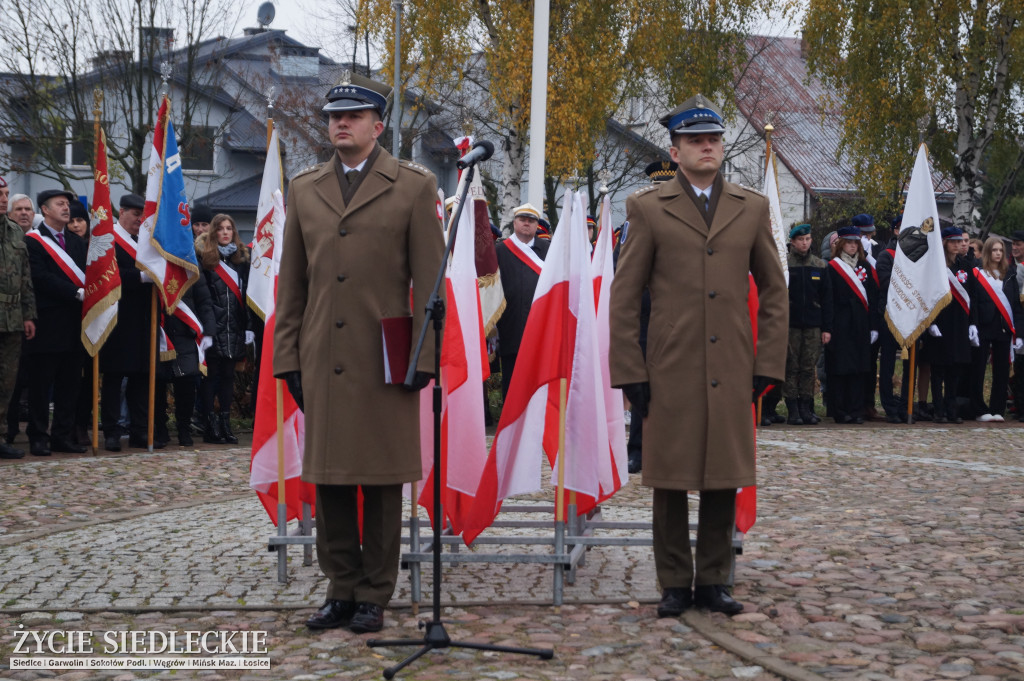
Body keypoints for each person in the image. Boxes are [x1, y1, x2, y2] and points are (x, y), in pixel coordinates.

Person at [274, 73, 444, 634]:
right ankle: (340, 587)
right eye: (332, 116)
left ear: (378, 125)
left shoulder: (414, 187)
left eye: (352, 116)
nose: (339, 124)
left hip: (385, 354)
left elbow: (431, 283)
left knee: (381, 479)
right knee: (330, 477)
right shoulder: (304, 189)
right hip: (322, 352)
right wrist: (287, 356)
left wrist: (425, 357)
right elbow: (291, 283)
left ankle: (375, 591)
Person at [609, 94, 788, 618]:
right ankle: (672, 582)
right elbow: (625, 296)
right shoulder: (647, 207)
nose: (705, 146)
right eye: (694, 141)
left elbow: (775, 291)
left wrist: (767, 362)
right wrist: (629, 369)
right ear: (676, 149)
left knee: (722, 474)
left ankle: (713, 579)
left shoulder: (750, 207)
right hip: (671, 364)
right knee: (668, 477)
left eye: (712, 139)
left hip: (731, 362)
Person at [23, 189, 88, 455]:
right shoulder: (33, 242)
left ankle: (62, 435)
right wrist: (74, 292)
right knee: (41, 384)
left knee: (69, 383)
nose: (66, 209)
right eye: (59, 204)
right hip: (48, 321)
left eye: (67, 204)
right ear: (45, 210)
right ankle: (38, 436)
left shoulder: (75, 241)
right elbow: (40, 277)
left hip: (75, 323)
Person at [101, 193, 166, 451]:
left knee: (142, 377)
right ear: (122, 212)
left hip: (143, 318)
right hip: (116, 317)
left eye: (143, 215)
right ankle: (112, 431)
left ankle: (140, 430)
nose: (140, 219)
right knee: (115, 378)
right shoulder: (108, 241)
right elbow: (107, 275)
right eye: (136, 214)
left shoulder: (145, 243)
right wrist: (140, 278)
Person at [195, 213, 250, 445]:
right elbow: (203, 299)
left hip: (234, 328)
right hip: (213, 329)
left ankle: (225, 424)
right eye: (221, 228)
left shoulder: (241, 261)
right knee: (211, 378)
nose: (226, 232)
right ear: (213, 232)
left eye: (229, 228)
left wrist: (248, 326)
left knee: (228, 377)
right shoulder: (205, 261)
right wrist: (207, 330)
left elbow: (246, 296)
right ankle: (210, 425)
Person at [824, 226, 879, 424]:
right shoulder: (832, 267)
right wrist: (828, 327)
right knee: (841, 368)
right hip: (841, 324)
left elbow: (873, 297)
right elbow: (828, 300)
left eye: (855, 243)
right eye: (849, 242)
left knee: (859, 368)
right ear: (841, 245)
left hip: (861, 324)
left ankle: (857, 409)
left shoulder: (866, 266)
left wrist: (874, 326)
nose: (852, 246)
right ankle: (840, 410)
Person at [495, 203, 549, 398]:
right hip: (510, 325)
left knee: (538, 380)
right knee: (511, 380)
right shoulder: (500, 251)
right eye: (522, 220)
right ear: (515, 223)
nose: (527, 224)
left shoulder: (548, 250)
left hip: (540, 325)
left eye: (531, 220)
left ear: (537, 225)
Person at [0, 177, 36, 459]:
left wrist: (28, 315)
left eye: (6, 194)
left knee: (7, 382)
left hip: (12, 318)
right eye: (0, 194)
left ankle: (1, 436)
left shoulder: (15, 233)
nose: (3, 198)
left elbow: (26, 279)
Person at [920, 228, 972, 423]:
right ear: (945, 243)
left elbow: (971, 296)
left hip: (959, 323)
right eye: (953, 242)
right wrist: (930, 322)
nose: (958, 245)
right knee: (939, 370)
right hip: (940, 322)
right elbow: (927, 294)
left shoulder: (965, 266)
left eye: (960, 242)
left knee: (954, 370)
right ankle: (939, 410)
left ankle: (952, 410)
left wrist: (972, 324)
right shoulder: (935, 266)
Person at [784, 224, 832, 425]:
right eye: (801, 240)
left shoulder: (819, 266)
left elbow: (827, 299)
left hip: (813, 325)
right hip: (790, 325)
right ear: (793, 242)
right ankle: (792, 409)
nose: (805, 243)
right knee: (791, 366)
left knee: (808, 367)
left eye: (808, 239)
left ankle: (806, 407)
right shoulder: (785, 265)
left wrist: (827, 328)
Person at [970, 236, 1022, 422]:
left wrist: (1019, 333)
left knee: (1001, 369)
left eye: (1001, 250)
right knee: (978, 370)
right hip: (983, 326)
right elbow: (973, 301)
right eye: (994, 250)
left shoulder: (1010, 274)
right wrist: (973, 325)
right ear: (988, 252)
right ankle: (979, 409)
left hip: (1003, 327)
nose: (998, 253)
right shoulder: (977, 273)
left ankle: (997, 409)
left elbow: (1015, 305)